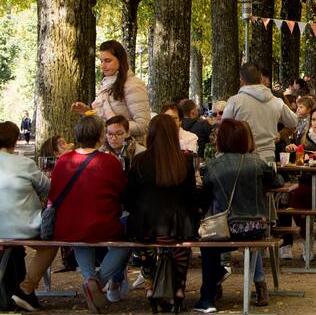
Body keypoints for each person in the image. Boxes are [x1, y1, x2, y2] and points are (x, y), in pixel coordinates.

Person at [194, 120, 284, 313]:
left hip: (224, 229)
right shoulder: (257, 162)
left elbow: (205, 200)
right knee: (249, 246)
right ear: (246, 139)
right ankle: (259, 286)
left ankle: (207, 298)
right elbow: (277, 181)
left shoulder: (212, 167)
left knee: (208, 249)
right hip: (255, 228)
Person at [51, 115, 131, 313]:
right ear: (100, 136)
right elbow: (123, 193)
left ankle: (89, 281)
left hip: (68, 225)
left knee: (81, 233)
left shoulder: (63, 160)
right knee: (130, 238)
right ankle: (97, 282)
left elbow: (52, 193)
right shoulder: (109, 162)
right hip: (102, 224)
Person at [124, 115, 199, 311]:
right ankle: (179, 286)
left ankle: (149, 283)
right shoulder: (185, 160)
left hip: (145, 225)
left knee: (144, 246)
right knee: (181, 246)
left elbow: (129, 199)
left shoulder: (139, 161)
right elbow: (191, 197)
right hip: (179, 224)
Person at [0, 122, 50, 312]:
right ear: (15, 141)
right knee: (50, 245)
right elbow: (47, 188)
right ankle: (27, 287)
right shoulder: (24, 163)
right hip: (25, 228)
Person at [71, 40, 151, 143]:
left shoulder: (133, 85)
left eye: (108, 61)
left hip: (126, 152)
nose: (103, 66)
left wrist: (116, 128)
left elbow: (143, 126)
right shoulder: (107, 83)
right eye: (101, 61)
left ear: (120, 60)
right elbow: (105, 120)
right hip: (106, 148)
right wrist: (86, 112)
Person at [222, 62, 298, 162]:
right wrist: (279, 134)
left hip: (242, 159)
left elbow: (224, 130)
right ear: (260, 79)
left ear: (241, 80)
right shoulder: (276, 101)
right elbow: (294, 122)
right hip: (268, 158)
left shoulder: (234, 101)